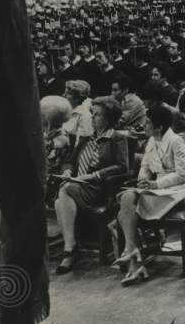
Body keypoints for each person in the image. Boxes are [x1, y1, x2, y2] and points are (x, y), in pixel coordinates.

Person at [113, 104, 185, 286]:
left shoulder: (176, 141)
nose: (144, 126)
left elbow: (183, 174)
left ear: (159, 127)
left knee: (123, 212)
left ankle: (133, 257)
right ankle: (135, 261)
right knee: (126, 199)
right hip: (155, 189)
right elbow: (145, 166)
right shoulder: (151, 141)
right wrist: (142, 180)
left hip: (174, 190)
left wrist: (156, 183)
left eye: (148, 123)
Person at [53, 97, 129, 275]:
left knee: (63, 191)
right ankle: (70, 247)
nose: (93, 118)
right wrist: (67, 172)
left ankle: (70, 249)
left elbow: (122, 166)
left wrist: (94, 175)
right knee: (61, 197)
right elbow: (70, 162)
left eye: (98, 115)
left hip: (99, 188)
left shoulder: (117, 139)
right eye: (92, 114)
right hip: (77, 185)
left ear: (109, 118)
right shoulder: (86, 139)